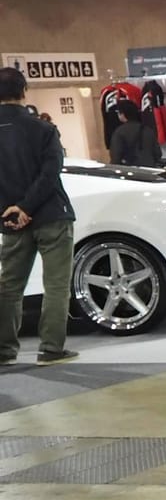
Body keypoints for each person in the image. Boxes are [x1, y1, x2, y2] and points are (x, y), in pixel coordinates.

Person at [0, 67, 78, 365]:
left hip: (11, 221)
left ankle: (4, 351)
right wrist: (27, 206)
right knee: (56, 285)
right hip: (52, 215)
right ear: (24, 91)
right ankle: (51, 348)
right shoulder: (44, 129)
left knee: (9, 287)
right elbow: (50, 173)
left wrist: (14, 210)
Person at [108, 100, 161, 168]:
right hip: (150, 170)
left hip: (130, 170)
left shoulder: (119, 132)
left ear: (123, 114)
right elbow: (158, 154)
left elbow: (116, 158)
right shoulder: (148, 130)